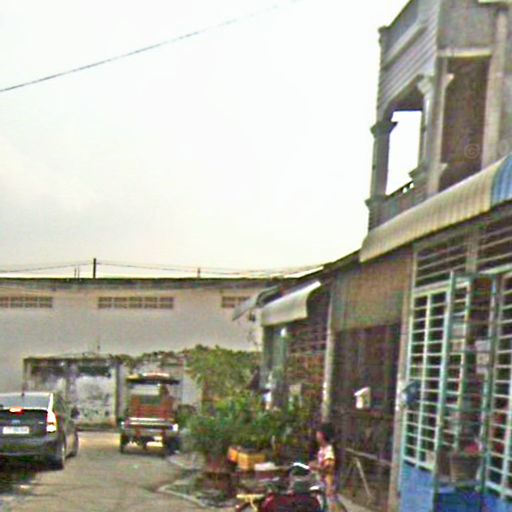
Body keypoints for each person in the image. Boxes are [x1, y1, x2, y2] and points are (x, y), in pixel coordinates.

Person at [310, 423, 344, 512]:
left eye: (319, 432)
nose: (316, 434)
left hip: (328, 482)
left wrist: (316, 467)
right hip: (322, 481)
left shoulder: (329, 450)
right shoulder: (322, 448)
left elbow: (329, 469)